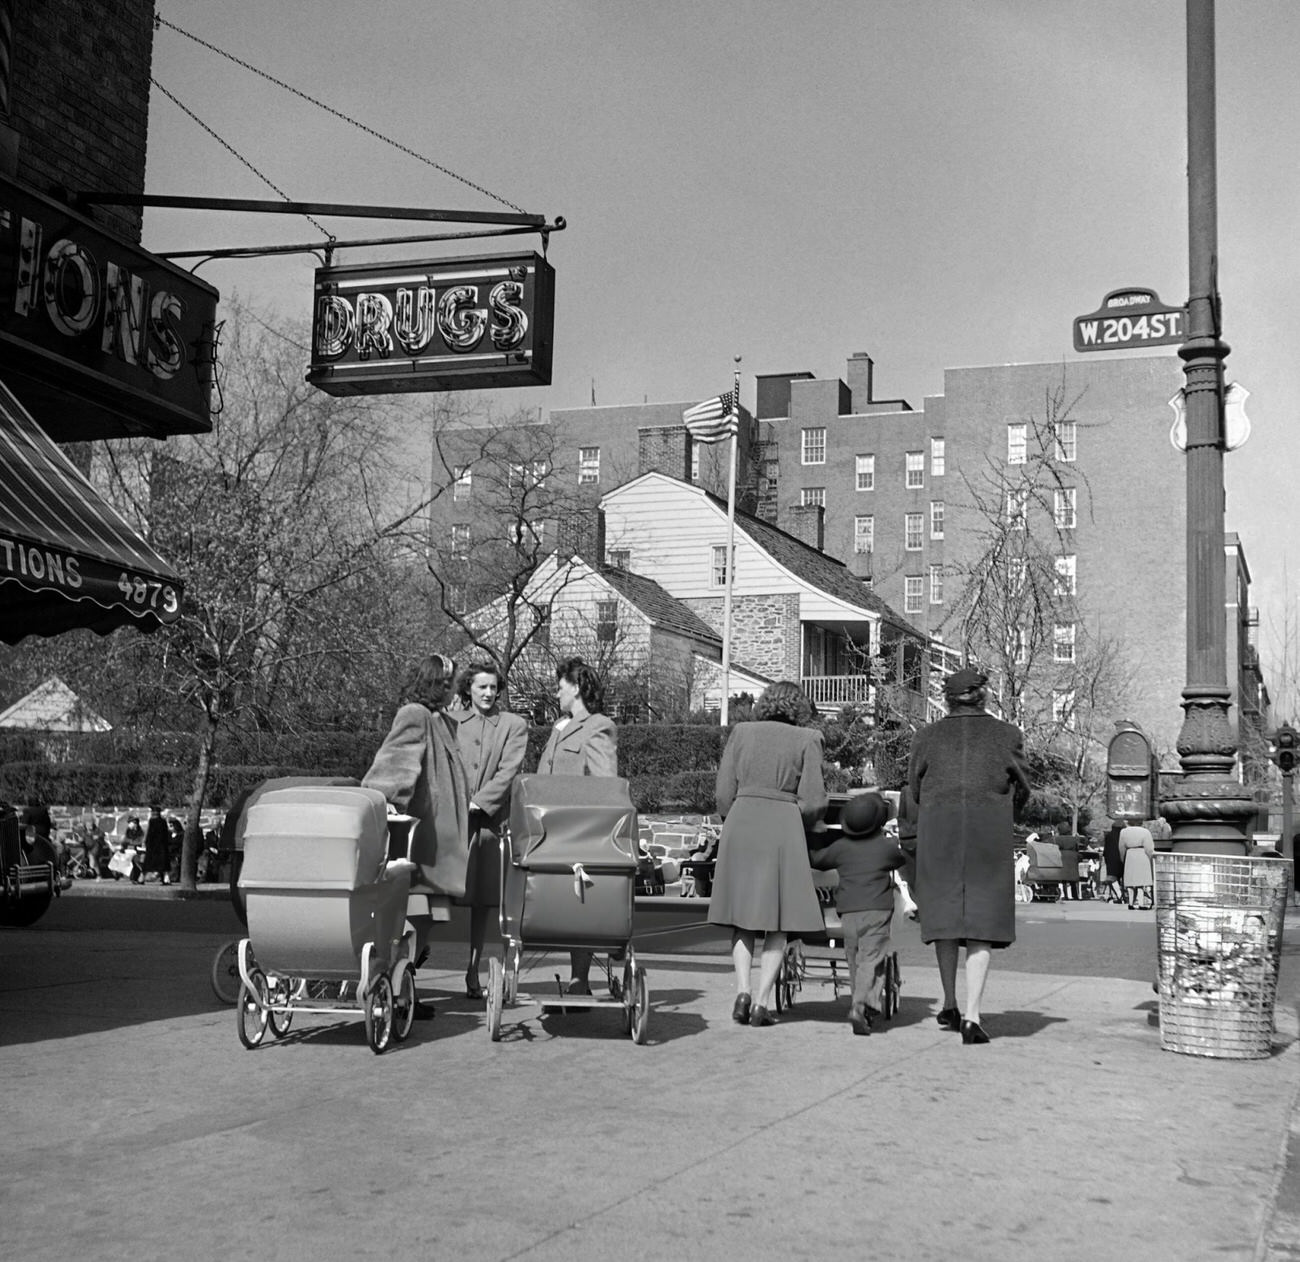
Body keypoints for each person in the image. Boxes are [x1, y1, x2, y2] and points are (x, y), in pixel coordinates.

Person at [908, 666, 1031, 1045]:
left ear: (947, 698)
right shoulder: (1008, 736)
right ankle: (972, 1016)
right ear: (983, 695)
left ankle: (948, 1002)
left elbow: (914, 788)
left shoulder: (926, 738)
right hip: (986, 834)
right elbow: (1023, 788)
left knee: (945, 918)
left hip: (940, 832)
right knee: (980, 924)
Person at [707, 680, 827, 1028]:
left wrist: (735, 816)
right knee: (779, 919)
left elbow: (723, 792)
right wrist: (796, 817)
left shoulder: (741, 732)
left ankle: (742, 992)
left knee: (742, 916)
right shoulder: (807, 739)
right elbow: (815, 800)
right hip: (782, 826)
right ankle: (761, 1003)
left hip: (742, 820)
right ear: (799, 707)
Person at [362, 653, 471, 1019]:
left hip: (438, 837)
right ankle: (396, 989)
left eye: (452, 681)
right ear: (433, 682)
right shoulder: (416, 714)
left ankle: (402, 986)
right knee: (415, 915)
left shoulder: (440, 720)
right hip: (421, 838)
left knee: (427, 916)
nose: (452, 687)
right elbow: (394, 763)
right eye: (447, 681)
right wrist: (388, 802)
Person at [535, 656, 618, 996]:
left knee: (578, 902)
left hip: (578, 829)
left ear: (577, 688)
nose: (556, 694)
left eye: (560, 688)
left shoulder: (598, 725)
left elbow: (604, 784)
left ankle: (579, 979)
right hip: (547, 826)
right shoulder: (560, 726)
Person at [452, 660, 528, 1000]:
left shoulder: (513, 724)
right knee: (432, 899)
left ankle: (475, 970)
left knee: (486, 902)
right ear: (468, 687)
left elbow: (509, 770)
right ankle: (409, 971)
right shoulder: (450, 722)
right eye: (481, 686)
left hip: (490, 827)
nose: (488, 692)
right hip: (451, 824)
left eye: (493, 687)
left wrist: (480, 801)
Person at [807, 792, 902, 1036]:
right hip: (877, 911)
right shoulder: (886, 847)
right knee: (871, 959)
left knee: (855, 958)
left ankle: (862, 1002)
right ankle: (860, 1005)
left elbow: (817, 860)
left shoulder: (840, 848)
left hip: (848, 913)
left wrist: (814, 836)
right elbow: (902, 858)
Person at [1119, 818, 1156, 910]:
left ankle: (1131, 903)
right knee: (1141, 881)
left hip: (1130, 854)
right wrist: (1150, 858)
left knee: (1130, 880)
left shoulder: (1123, 831)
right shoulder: (1145, 832)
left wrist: (1123, 858)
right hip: (1141, 854)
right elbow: (1149, 848)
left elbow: (1121, 847)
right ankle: (1141, 903)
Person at [141, 804, 171, 885]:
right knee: (163, 864)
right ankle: (166, 879)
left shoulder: (153, 821)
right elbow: (165, 834)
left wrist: (147, 842)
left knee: (149, 863)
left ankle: (141, 878)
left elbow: (150, 834)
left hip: (154, 846)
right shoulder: (162, 821)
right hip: (161, 845)